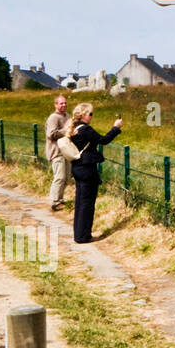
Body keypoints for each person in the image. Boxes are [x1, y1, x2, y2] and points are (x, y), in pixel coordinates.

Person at [66, 103, 122, 244]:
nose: (92, 117)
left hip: (77, 168)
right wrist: (116, 127)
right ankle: (84, 236)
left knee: (80, 202)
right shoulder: (85, 130)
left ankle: (78, 234)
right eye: (90, 114)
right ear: (84, 115)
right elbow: (104, 140)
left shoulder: (74, 128)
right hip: (87, 169)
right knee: (87, 203)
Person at [46, 93, 70, 211]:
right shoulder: (53, 118)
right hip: (56, 152)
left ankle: (60, 199)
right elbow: (51, 134)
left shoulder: (67, 116)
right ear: (56, 105)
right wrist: (66, 131)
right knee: (59, 177)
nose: (64, 105)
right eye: (61, 103)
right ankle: (54, 201)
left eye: (65, 103)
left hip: (66, 151)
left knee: (67, 177)